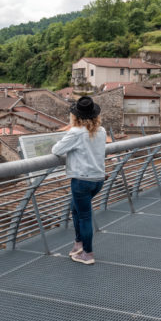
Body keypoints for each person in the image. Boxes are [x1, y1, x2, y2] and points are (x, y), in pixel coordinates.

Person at [51, 96, 107, 264]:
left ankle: (88, 254)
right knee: (75, 209)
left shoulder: (76, 132)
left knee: (84, 216)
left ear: (76, 116)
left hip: (82, 180)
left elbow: (57, 150)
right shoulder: (102, 131)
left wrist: (70, 132)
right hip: (98, 179)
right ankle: (78, 244)